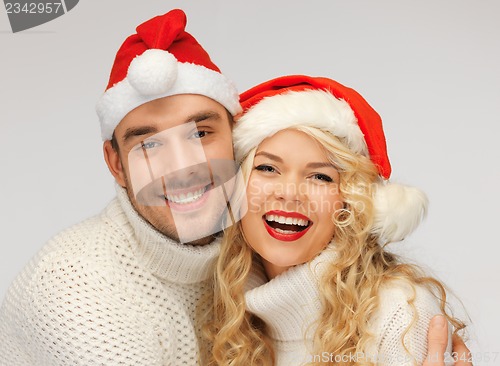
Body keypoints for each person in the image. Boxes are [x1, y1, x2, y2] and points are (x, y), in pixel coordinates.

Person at [0, 9, 470, 366]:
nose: (183, 168)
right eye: (149, 145)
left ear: (232, 137)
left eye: (201, 133)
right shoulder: (77, 293)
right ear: (115, 165)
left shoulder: (394, 312)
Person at [209, 75, 471, 366]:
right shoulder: (225, 315)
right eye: (268, 168)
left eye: (320, 176)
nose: (290, 194)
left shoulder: (399, 312)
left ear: (350, 200)